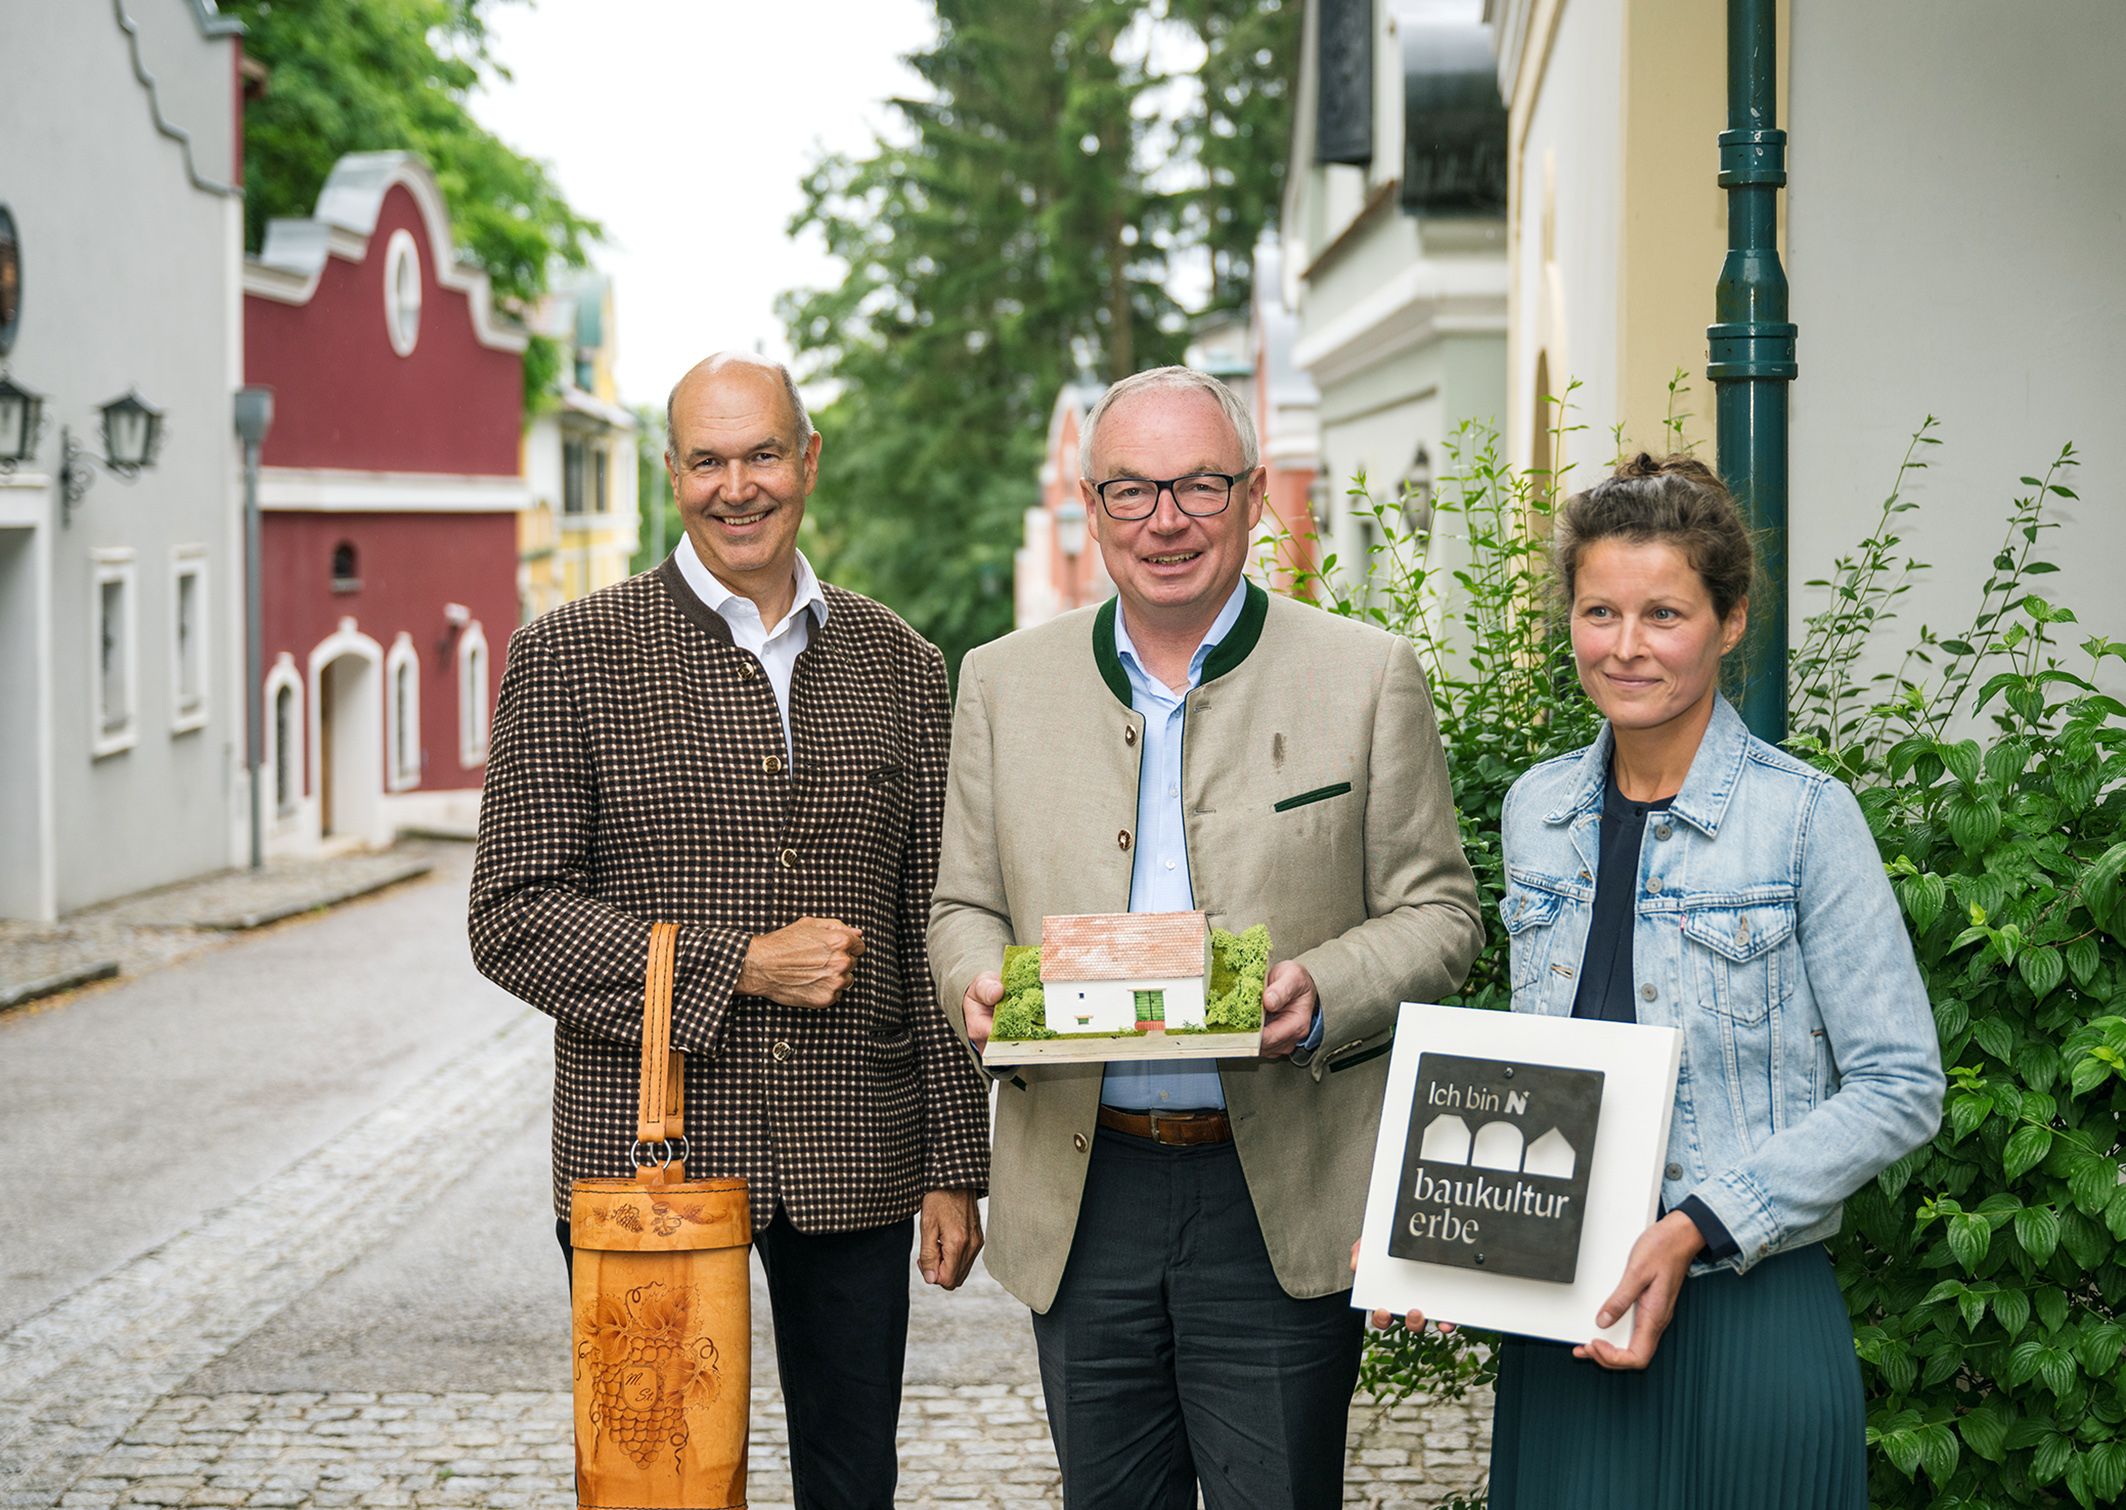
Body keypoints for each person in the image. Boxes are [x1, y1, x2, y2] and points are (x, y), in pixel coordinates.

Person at [928, 366, 1485, 1509]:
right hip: (1086, 1190)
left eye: (1198, 485)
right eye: (1130, 490)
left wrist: (1322, 987)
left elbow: (1441, 915)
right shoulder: (998, 681)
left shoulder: (1365, 675)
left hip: (1277, 1183)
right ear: (1090, 510)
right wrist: (977, 982)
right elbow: (958, 909)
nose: (1165, 519)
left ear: (1251, 499)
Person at [468, 352, 992, 1510]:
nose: (735, 486)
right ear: (671, 474)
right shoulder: (570, 655)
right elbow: (510, 915)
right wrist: (738, 964)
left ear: (808, 460)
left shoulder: (901, 664)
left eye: (761, 453)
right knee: (657, 1483)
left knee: (854, 1484)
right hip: (646, 1149)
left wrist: (955, 1166)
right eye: (707, 460)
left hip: (857, 1144)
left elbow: (932, 920)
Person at [1451, 452, 1944, 1508]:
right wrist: (1444, 1237)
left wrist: (1691, 1228)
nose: (1624, 647)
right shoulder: (1534, 812)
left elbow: (1899, 1084)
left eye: (1662, 613)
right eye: (1597, 611)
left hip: (1746, 1311)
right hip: (1564, 1320)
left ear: (1727, 620)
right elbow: (1542, 1071)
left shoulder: (1806, 817)